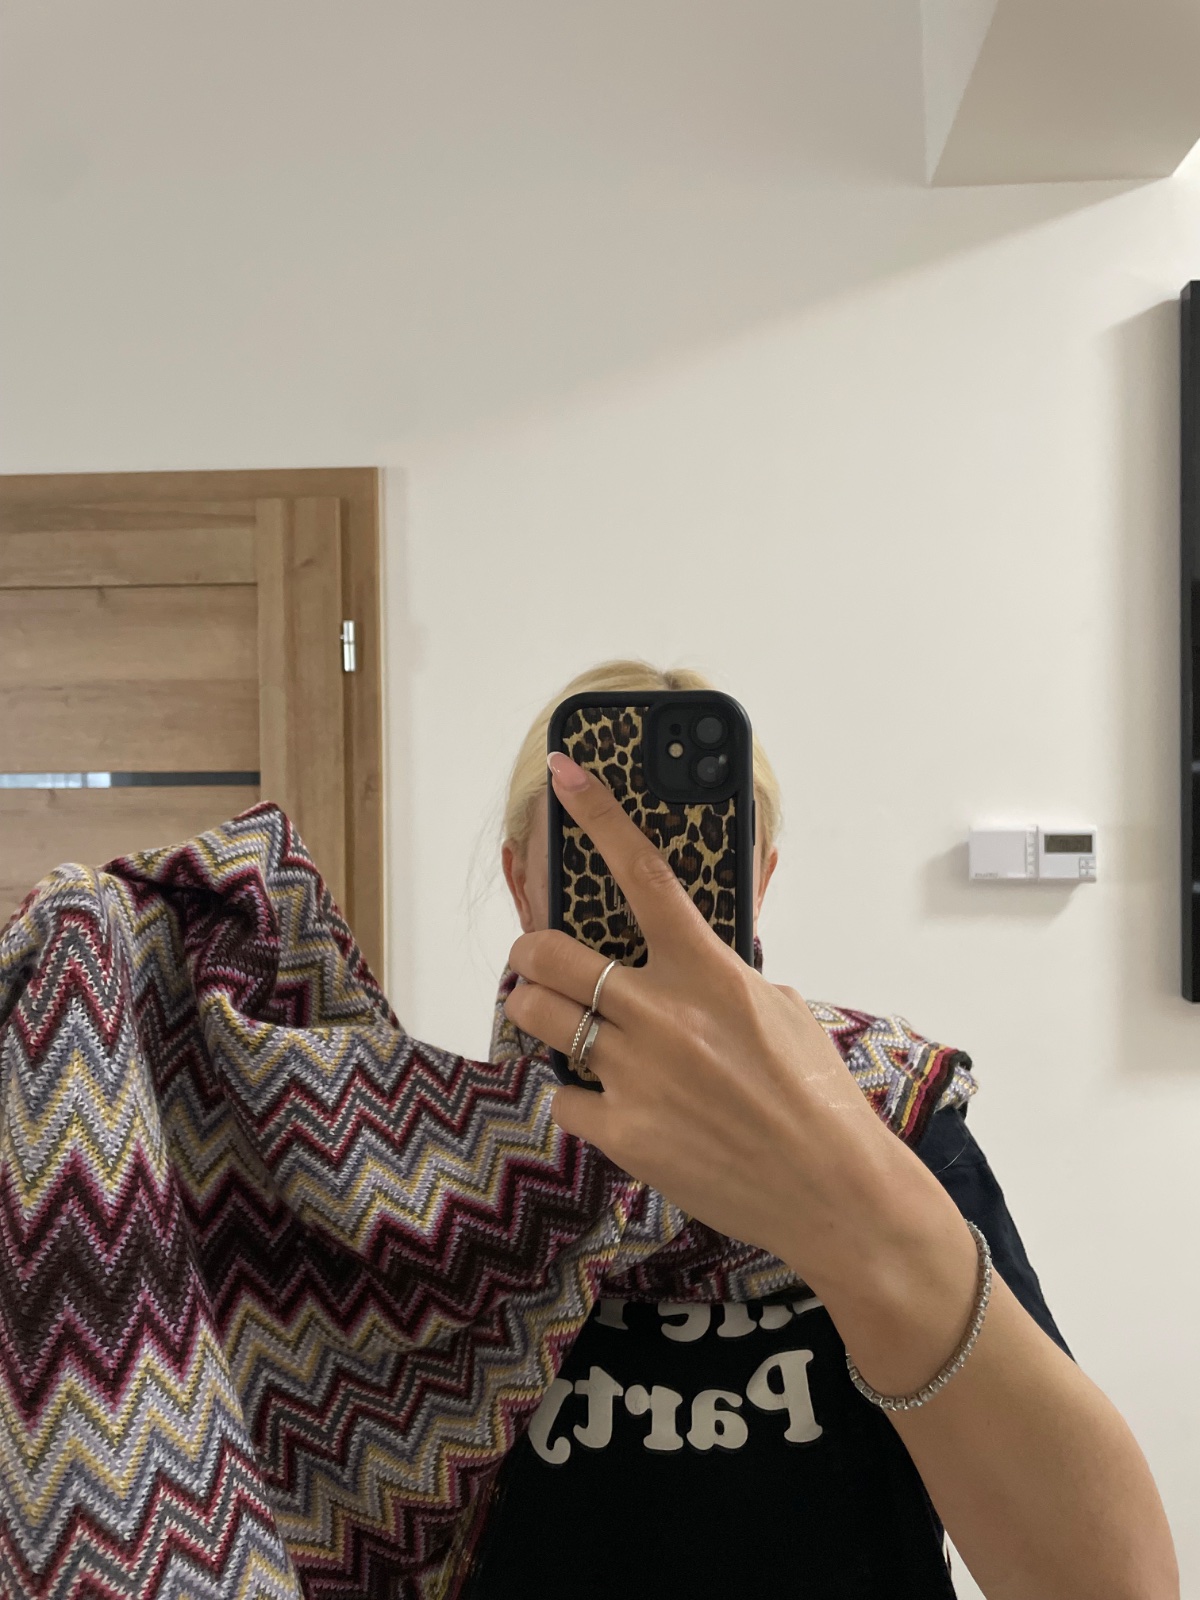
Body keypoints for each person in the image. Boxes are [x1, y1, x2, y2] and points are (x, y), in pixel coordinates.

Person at [461, 660, 1178, 1600]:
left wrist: (838, 1195)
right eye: (594, 856)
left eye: (692, 856)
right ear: (521, 882)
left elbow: (1112, 1586)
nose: (648, 897)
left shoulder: (894, 1119)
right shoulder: (429, 1161)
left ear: (757, 880)